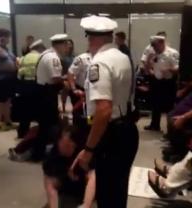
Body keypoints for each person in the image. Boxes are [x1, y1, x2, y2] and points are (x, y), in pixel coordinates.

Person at [70, 15, 139, 208]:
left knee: (108, 194)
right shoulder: (122, 56)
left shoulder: (99, 62)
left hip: (110, 134)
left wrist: (89, 149)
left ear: (92, 38)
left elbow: (103, 111)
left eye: (89, 38)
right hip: (126, 129)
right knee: (118, 190)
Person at [31, 34, 68, 161]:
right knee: (49, 125)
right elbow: (55, 77)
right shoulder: (53, 58)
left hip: (41, 92)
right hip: (47, 94)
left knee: (46, 125)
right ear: (60, 45)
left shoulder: (45, 54)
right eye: (65, 45)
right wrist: (67, 78)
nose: (67, 48)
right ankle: (42, 153)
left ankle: (40, 152)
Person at [43, 126, 95, 208]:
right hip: (66, 191)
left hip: (84, 189)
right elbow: (50, 183)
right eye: (64, 144)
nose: (67, 148)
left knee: (92, 174)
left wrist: (86, 204)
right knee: (49, 180)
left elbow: (92, 175)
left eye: (70, 145)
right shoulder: (52, 156)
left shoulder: (82, 153)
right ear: (58, 141)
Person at [144, 35, 179, 131]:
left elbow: (178, 68)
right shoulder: (152, 53)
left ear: (161, 43)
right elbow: (147, 70)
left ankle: (170, 130)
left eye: (155, 46)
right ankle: (154, 125)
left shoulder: (172, 53)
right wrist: (148, 60)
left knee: (169, 107)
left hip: (168, 82)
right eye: (153, 46)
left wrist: (168, 69)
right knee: (155, 105)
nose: (154, 48)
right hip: (156, 81)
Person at [16, 39, 46, 138]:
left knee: (25, 110)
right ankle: (40, 132)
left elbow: (19, 74)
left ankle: (22, 132)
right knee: (40, 109)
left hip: (25, 85)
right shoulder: (41, 57)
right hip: (36, 84)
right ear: (39, 48)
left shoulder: (23, 58)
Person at [68, 52, 92, 125]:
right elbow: (70, 73)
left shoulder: (101, 58)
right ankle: (77, 132)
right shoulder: (82, 58)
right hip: (81, 91)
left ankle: (89, 128)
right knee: (79, 115)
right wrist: (74, 89)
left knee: (91, 113)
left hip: (93, 91)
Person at [60, 39, 75, 114]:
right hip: (65, 78)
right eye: (68, 44)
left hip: (73, 78)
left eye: (70, 44)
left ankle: (74, 109)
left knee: (74, 95)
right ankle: (63, 108)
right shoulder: (62, 57)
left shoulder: (74, 57)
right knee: (64, 93)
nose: (69, 45)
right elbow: (60, 69)